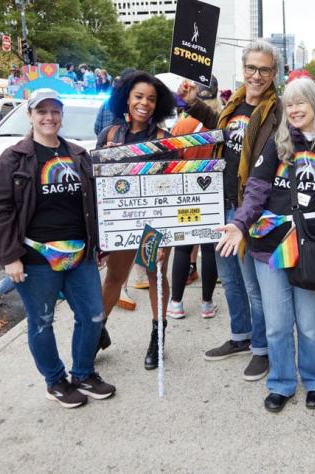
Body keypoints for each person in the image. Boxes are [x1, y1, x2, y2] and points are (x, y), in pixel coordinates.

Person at [216, 77, 315, 412]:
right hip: (271, 245)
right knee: (277, 324)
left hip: (314, 245)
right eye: (288, 105)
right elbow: (257, 190)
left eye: (300, 103)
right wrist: (238, 223)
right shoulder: (277, 144)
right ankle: (281, 382)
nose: (293, 110)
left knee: (308, 323)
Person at [0, 89, 116, 408]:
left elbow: (94, 201)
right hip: (36, 257)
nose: (49, 117)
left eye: (55, 111)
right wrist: (11, 256)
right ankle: (55, 381)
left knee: (93, 316)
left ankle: (83, 373)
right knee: (42, 321)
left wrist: (99, 242)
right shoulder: (13, 158)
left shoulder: (77, 154)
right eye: (41, 111)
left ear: (61, 115)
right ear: (30, 116)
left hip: (80, 253)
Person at [177, 40, 283, 381]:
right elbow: (219, 128)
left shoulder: (277, 112)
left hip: (253, 209)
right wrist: (192, 102)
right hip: (220, 203)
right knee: (231, 280)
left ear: (273, 73)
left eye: (264, 69)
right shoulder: (233, 105)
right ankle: (240, 336)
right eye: (251, 68)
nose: (256, 75)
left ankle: (262, 348)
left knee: (255, 285)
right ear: (243, 69)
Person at [96, 71, 177, 370]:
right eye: (139, 96)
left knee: (155, 275)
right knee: (114, 278)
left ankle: (159, 336)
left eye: (152, 99)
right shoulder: (110, 136)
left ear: (159, 105)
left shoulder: (164, 140)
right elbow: (97, 182)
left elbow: (172, 189)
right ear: (126, 99)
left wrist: (167, 235)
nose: (145, 103)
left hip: (152, 222)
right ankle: (97, 331)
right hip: (120, 221)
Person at [167, 76, 221, 320]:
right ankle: (207, 304)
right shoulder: (221, 124)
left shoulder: (181, 125)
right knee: (209, 249)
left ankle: (176, 303)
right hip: (212, 193)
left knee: (182, 247)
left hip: (185, 191)